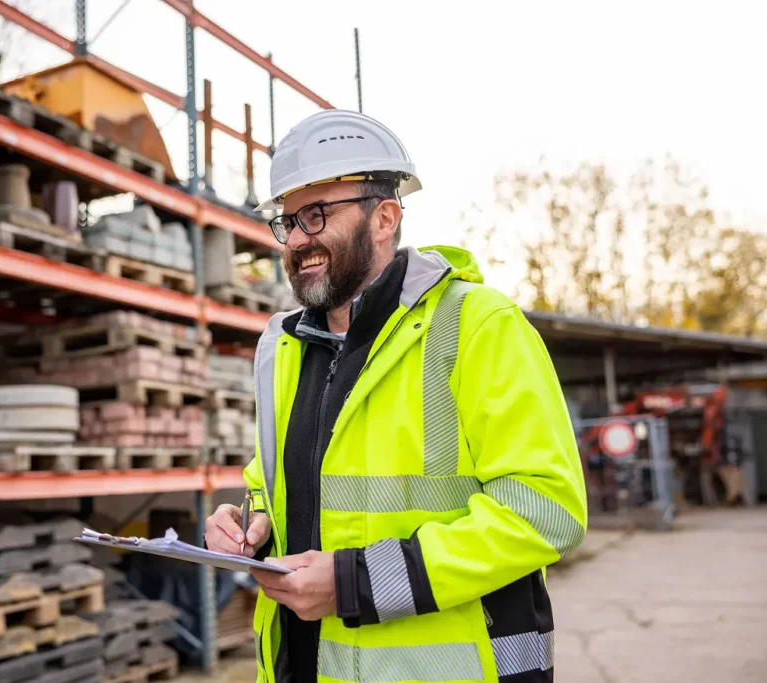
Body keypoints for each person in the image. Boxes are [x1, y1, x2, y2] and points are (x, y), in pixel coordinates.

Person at [204, 109, 587, 683]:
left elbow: (546, 509)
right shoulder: (282, 349)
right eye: (288, 222)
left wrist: (353, 583)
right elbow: (277, 487)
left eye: (316, 215)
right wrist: (249, 524)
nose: (300, 240)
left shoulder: (478, 326)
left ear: (384, 218)